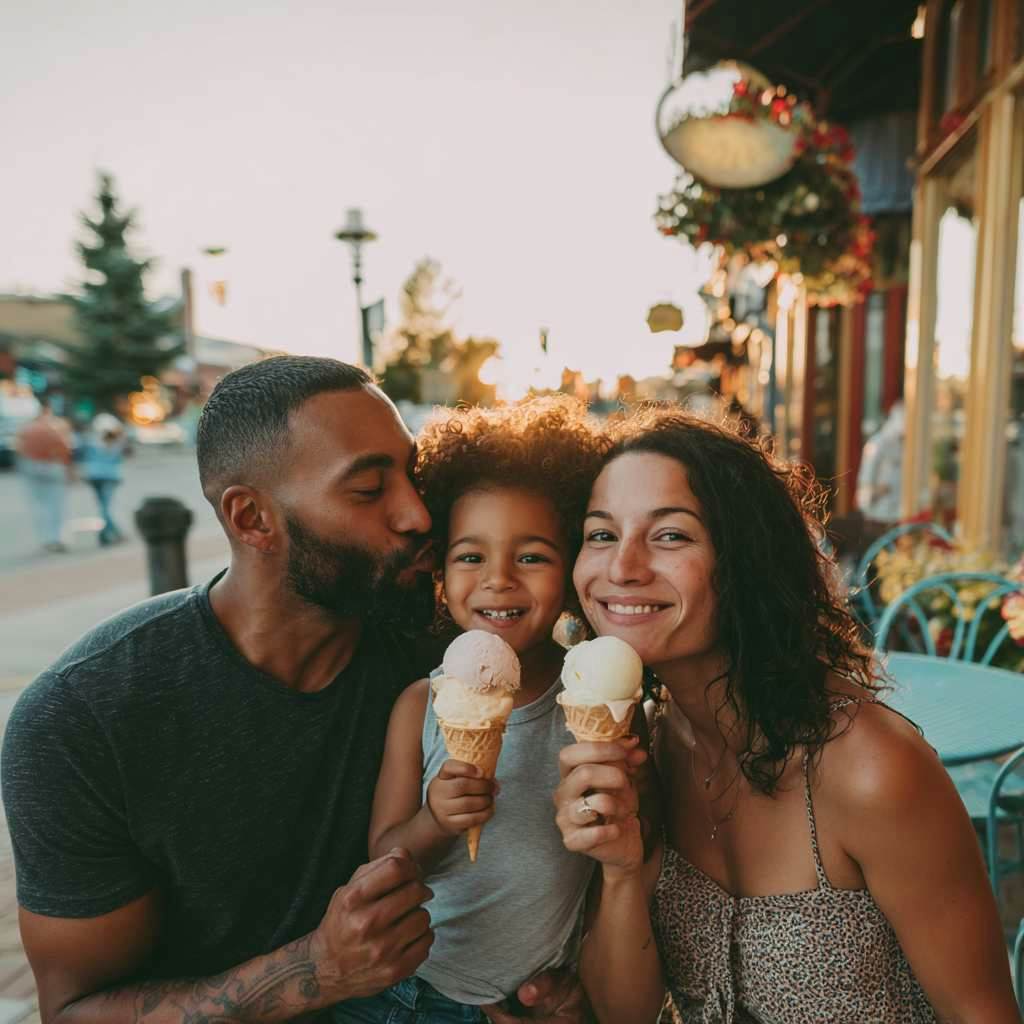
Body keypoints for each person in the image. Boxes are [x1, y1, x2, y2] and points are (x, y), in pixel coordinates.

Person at [1, 356, 587, 1024]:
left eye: (412, 476)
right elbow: (74, 1011)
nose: (419, 514)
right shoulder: (85, 716)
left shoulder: (448, 656)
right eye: (370, 491)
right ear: (252, 519)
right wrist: (316, 972)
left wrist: (544, 984)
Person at [553, 408, 1018, 1023]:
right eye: (602, 534)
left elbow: (983, 1015)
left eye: (671, 536)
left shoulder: (870, 767)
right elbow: (626, 1013)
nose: (622, 568)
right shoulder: (650, 743)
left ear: (745, 559)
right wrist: (619, 868)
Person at [336, 397, 606, 1024]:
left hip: (528, 1001)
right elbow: (385, 856)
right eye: (470, 556)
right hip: (412, 993)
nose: (498, 579)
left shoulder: (593, 701)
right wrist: (435, 819)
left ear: (569, 575)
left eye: (532, 556)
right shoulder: (419, 705)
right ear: (439, 574)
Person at [14, 395, 74, 554]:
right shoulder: (53, 427)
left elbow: (19, 450)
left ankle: (45, 539)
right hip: (52, 467)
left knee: (39, 506)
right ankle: (56, 538)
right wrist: (69, 470)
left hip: (31, 467)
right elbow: (64, 449)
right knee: (56, 505)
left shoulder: (26, 430)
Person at [856, 400, 905, 532]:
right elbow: (864, 486)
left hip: (900, 518)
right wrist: (880, 490)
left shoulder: (907, 446)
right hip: (878, 518)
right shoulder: (877, 444)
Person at [80, 412, 127, 545]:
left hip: (94, 475)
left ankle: (105, 533)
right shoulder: (114, 441)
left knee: (103, 506)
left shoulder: (91, 440)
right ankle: (113, 531)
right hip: (109, 476)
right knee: (107, 507)